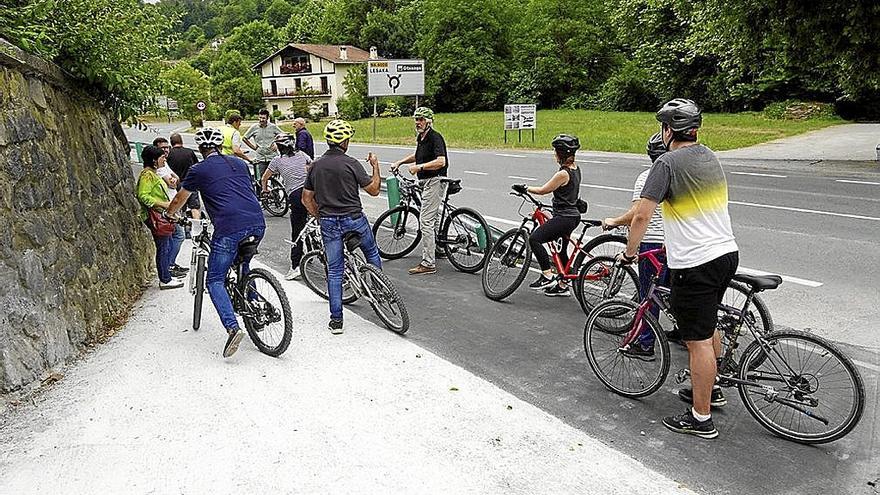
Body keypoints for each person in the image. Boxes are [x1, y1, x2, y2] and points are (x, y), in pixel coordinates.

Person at [622, 98, 739, 439]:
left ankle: (701, 418)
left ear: (668, 130)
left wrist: (630, 252)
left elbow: (642, 214)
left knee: (697, 341)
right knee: (708, 325)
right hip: (726, 254)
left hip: (696, 262)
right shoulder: (710, 156)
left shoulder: (667, 163)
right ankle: (710, 389)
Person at [166, 127, 266, 358]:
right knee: (244, 265)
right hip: (257, 221)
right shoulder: (239, 164)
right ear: (221, 146)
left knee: (214, 280)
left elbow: (181, 198)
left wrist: (170, 215)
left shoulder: (198, 169)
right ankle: (256, 306)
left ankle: (232, 328)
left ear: (201, 149)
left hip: (229, 227)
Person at [302, 119, 382, 335]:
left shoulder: (316, 165)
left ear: (329, 141)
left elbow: (306, 199)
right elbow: (374, 190)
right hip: (354, 218)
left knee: (335, 271)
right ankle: (380, 291)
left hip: (329, 222)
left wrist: (320, 216)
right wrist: (375, 166)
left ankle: (336, 321)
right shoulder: (352, 163)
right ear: (345, 141)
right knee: (372, 254)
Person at [602, 132, 672, 357]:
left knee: (648, 295)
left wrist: (615, 222)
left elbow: (638, 215)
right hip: (677, 244)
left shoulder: (647, 177)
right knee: (673, 292)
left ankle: (645, 342)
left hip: (652, 243)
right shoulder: (680, 174)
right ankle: (681, 330)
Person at [514, 134, 582, 297]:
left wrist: (525, 188)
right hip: (571, 216)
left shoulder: (563, 174)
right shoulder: (576, 168)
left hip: (564, 218)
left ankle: (547, 275)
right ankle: (563, 285)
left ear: (560, 153)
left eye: (555, 151)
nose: (554, 155)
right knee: (561, 251)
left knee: (534, 239)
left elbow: (544, 190)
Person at [390, 107, 449, 275]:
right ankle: (439, 248)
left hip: (435, 180)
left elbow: (441, 161)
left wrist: (419, 167)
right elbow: (418, 155)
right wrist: (400, 162)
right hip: (425, 181)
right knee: (433, 217)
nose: (418, 122)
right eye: (416, 119)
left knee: (426, 221)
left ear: (429, 121)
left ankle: (428, 263)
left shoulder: (435, 137)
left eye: (421, 119)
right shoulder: (421, 137)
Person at [261, 133, 311, 280]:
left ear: (279, 147)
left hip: (296, 195)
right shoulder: (302, 154)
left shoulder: (277, 161)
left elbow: (265, 178)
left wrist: (265, 189)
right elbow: (312, 166)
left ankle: (295, 266)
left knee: (297, 230)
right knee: (316, 221)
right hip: (313, 191)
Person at [136, 145, 184, 290]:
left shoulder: (153, 173)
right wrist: (164, 204)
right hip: (155, 216)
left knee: (167, 244)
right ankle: (165, 279)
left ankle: (166, 275)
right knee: (163, 247)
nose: (165, 159)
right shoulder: (147, 175)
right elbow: (143, 195)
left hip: (160, 215)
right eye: (162, 157)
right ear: (154, 160)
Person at [152, 136, 187, 277]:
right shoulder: (158, 168)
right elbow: (172, 182)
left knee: (173, 237)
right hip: (167, 207)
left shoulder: (164, 163)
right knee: (179, 235)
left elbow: (176, 178)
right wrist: (172, 180)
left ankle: (170, 264)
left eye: (167, 147)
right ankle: (169, 265)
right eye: (163, 148)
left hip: (172, 204)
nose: (166, 151)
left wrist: (173, 180)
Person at [166, 133, 202, 221]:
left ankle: (183, 225)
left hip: (176, 184)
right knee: (195, 207)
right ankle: (197, 226)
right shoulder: (189, 152)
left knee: (179, 207)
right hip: (191, 184)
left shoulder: (169, 154)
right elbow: (196, 166)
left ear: (171, 142)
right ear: (181, 141)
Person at [244, 108, 282, 180]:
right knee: (261, 179)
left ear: (267, 118)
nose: (261, 120)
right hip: (260, 158)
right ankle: (262, 191)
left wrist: (276, 144)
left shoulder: (273, 127)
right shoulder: (254, 127)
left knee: (275, 178)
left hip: (272, 157)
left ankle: (275, 191)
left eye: (263, 118)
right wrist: (253, 147)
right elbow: (245, 138)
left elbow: (282, 135)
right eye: (260, 117)